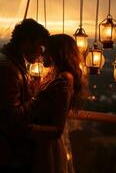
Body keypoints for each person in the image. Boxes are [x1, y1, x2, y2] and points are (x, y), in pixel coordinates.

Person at [0, 18, 49, 173]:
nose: (42, 52)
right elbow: (11, 117)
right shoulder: (5, 69)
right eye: (40, 45)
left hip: (3, 155)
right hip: (3, 158)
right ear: (27, 42)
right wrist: (39, 99)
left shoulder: (10, 63)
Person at [29, 34, 87, 173]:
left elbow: (58, 128)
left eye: (46, 49)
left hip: (48, 148)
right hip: (40, 144)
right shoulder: (53, 76)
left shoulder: (64, 78)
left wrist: (28, 128)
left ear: (57, 53)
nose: (42, 54)